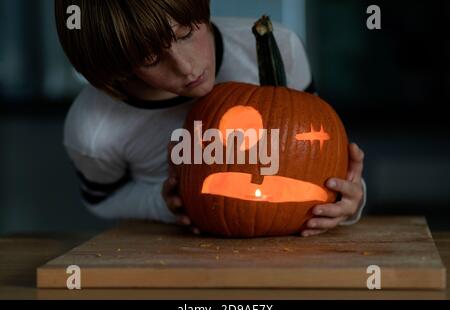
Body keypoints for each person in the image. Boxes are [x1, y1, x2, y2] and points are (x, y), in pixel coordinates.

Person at [55, 0, 366, 237]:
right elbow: (103, 200)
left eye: (187, 33)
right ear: (120, 66)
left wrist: (345, 198)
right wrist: (166, 203)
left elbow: (310, 157)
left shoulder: (280, 48)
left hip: (293, 255)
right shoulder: (93, 128)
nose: (187, 67)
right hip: (167, 257)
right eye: (150, 59)